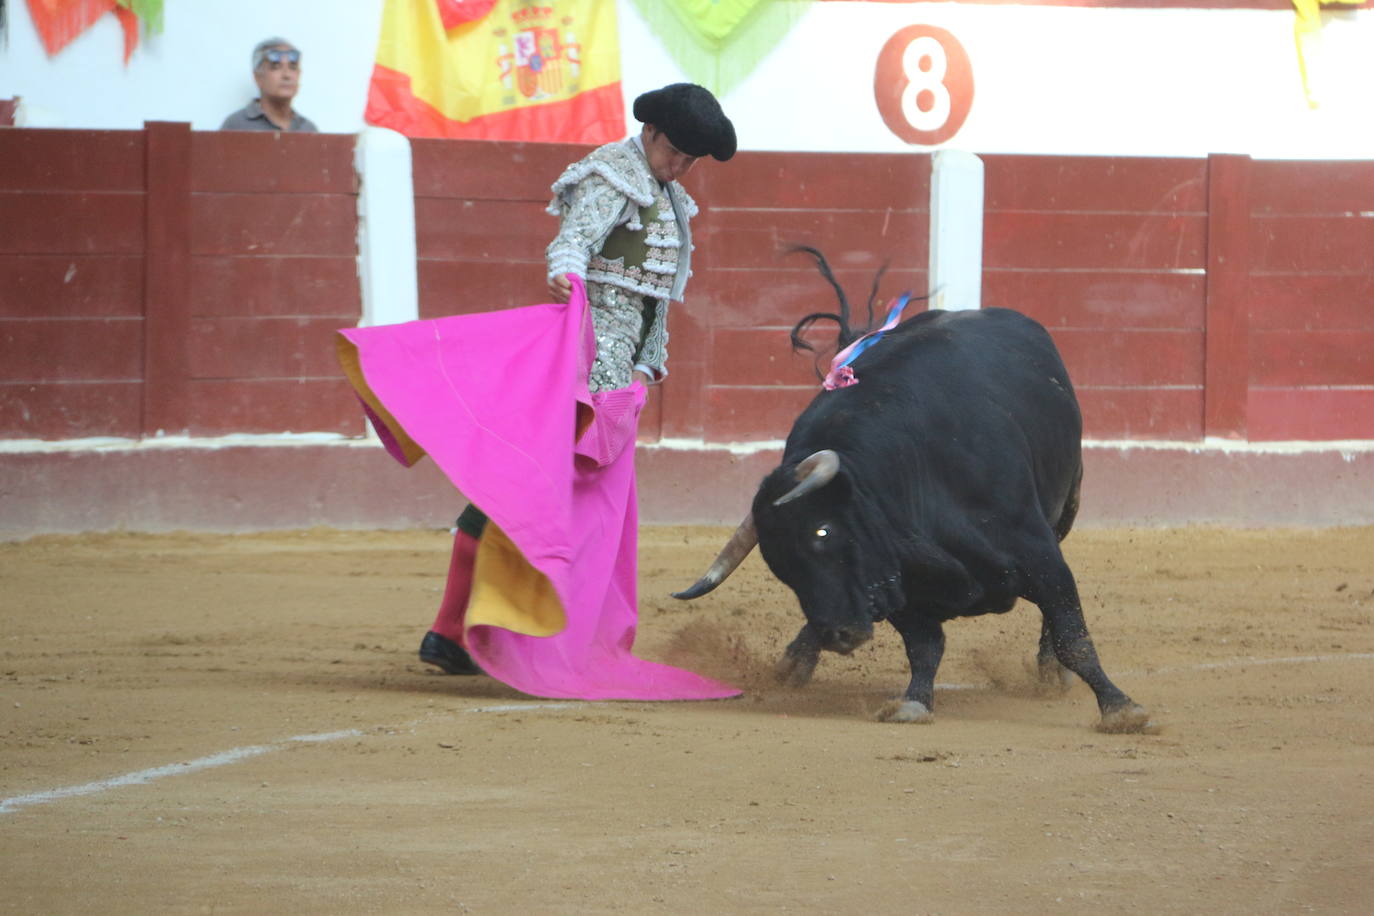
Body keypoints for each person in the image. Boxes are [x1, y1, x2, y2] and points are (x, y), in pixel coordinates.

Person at [417, 83, 736, 675]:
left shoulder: (667, 195)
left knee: (573, 504)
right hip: (580, 362)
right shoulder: (610, 174)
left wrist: (644, 366)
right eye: (678, 153)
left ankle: (507, 637)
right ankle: (451, 630)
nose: (683, 166)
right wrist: (565, 277)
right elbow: (572, 244)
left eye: (693, 160)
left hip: (618, 378)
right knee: (526, 488)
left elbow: (655, 300)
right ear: (651, 133)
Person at [220, 38, 318, 132]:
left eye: (292, 67)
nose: (287, 75)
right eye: (276, 67)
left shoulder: (308, 129)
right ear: (258, 77)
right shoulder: (236, 126)